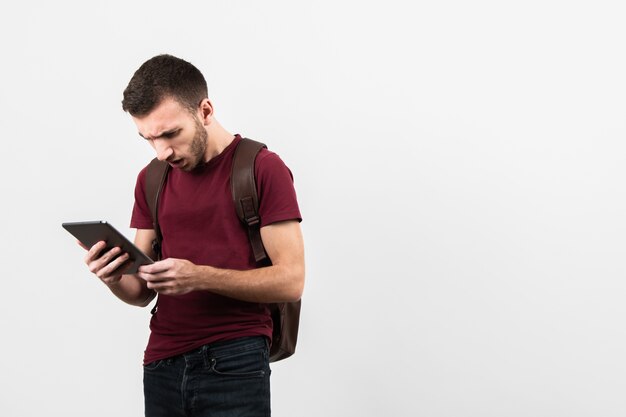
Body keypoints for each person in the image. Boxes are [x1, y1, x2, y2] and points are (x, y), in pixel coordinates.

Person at [82, 54, 305, 417]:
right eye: (148, 138)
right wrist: (112, 277)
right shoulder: (151, 178)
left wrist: (198, 276)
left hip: (235, 359)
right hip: (161, 361)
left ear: (204, 111)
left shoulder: (263, 168)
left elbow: (292, 281)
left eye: (171, 134)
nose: (162, 151)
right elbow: (140, 292)